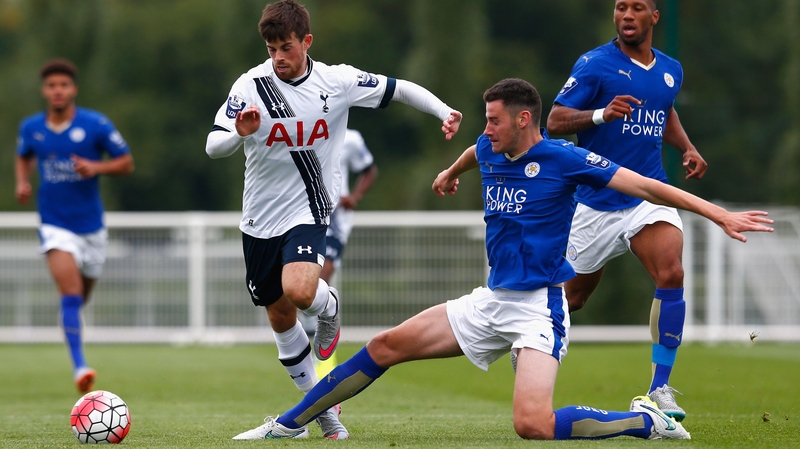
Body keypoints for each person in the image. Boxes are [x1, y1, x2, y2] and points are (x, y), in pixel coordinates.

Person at [229, 78, 772, 441]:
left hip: (539, 309)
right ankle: (288, 425)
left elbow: (651, 187)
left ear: (524, 120)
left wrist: (717, 214)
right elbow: (473, 152)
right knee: (383, 346)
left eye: (492, 120)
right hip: (489, 300)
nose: (484, 129)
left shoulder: (564, 159)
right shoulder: (490, 147)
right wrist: (450, 172)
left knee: (531, 425)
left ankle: (645, 422)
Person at [205, 0, 461, 440]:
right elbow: (213, 145)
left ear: (306, 42)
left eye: (286, 47)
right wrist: (239, 133)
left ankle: (330, 306)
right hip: (258, 220)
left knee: (301, 290)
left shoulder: (336, 80)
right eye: (271, 49)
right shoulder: (250, 86)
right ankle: (321, 418)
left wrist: (444, 111)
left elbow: (397, 87)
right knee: (281, 318)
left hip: (310, 208)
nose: (279, 57)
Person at [546, 0, 704, 421]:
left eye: (637, 8)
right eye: (621, 7)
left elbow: (663, 109)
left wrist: (686, 148)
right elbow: (554, 122)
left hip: (648, 196)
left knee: (671, 271)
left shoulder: (671, 69)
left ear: (655, 16)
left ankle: (659, 390)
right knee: (570, 299)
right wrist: (601, 113)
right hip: (595, 202)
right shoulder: (594, 64)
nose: (627, 15)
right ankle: (532, 341)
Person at [14, 59, 135, 394]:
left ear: (73, 90)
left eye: (63, 85)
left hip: (92, 227)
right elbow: (23, 155)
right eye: (51, 85)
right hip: (55, 224)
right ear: (44, 91)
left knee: (80, 297)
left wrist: (96, 167)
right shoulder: (31, 128)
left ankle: (69, 322)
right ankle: (80, 366)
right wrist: (22, 182)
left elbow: (126, 163)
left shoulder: (95, 124)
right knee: (69, 295)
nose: (57, 91)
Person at [298, 128, 378, 376]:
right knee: (299, 281)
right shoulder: (301, 130)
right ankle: (311, 330)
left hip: (335, 219)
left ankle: (318, 333)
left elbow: (369, 169)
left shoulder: (350, 138)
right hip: (301, 214)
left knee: (321, 276)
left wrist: (355, 196)